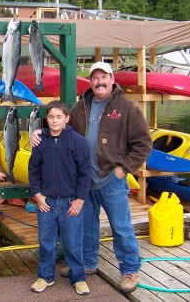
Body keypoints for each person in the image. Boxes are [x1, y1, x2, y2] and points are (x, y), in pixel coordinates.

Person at [31, 62, 152, 293]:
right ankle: (87, 264)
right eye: (95, 78)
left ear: (112, 79)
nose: (99, 82)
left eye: (103, 77)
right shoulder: (79, 107)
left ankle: (129, 269)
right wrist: (40, 131)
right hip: (84, 184)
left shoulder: (127, 107)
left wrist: (123, 169)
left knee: (121, 226)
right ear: (91, 82)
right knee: (86, 226)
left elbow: (144, 143)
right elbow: (59, 126)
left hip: (112, 180)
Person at [29, 100, 91, 295]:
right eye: (51, 117)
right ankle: (45, 276)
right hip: (46, 202)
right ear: (46, 119)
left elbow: (85, 172)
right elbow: (34, 170)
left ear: (67, 119)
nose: (54, 121)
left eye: (59, 117)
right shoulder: (40, 142)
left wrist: (80, 199)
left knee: (73, 242)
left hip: (70, 201)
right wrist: (38, 196)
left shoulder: (78, 141)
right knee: (46, 242)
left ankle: (79, 277)